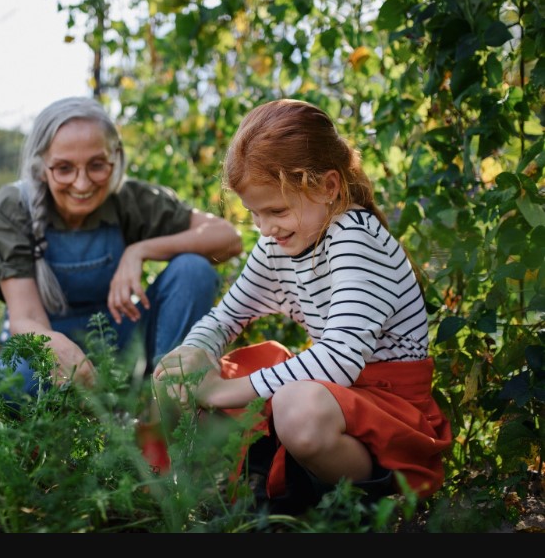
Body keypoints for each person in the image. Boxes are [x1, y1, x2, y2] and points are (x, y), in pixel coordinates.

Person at [153, 99, 452, 509]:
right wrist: (195, 354)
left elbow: (339, 360)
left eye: (275, 210)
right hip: (335, 394)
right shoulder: (279, 242)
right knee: (176, 368)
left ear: (328, 187)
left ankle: (363, 503)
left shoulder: (354, 236)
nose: (265, 228)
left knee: (298, 407)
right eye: (254, 214)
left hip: (387, 409)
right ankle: (205, 490)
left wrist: (220, 391)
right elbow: (227, 316)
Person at [0, 96, 243, 397]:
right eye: (64, 169)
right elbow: (25, 318)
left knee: (193, 269)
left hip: (121, 341)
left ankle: (166, 396)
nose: (82, 184)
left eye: (97, 166)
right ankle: (91, 409)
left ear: (115, 158)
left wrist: (139, 251)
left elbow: (227, 238)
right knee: (22, 384)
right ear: (41, 166)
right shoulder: (13, 206)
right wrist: (61, 351)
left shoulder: (128, 199)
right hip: (43, 340)